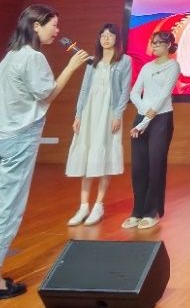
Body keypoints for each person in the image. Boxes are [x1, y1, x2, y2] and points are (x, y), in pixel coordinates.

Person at [0, 5, 89, 304]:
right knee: (7, 207)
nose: (57, 31)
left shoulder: (12, 55)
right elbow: (48, 94)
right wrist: (71, 67)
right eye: (53, 25)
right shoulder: (33, 57)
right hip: (18, 138)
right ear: (36, 25)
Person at [65, 23, 132, 227]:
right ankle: (83, 206)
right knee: (87, 155)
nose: (106, 38)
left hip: (109, 112)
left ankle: (98, 205)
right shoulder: (92, 61)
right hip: (90, 112)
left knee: (104, 154)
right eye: (103, 35)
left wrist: (118, 115)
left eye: (110, 35)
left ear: (117, 39)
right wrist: (78, 115)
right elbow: (84, 89)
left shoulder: (125, 61)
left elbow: (124, 91)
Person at [122, 31, 180, 230]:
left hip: (161, 118)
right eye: (152, 42)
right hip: (143, 116)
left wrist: (147, 118)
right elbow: (134, 92)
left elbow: (163, 95)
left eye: (158, 43)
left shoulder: (173, 66)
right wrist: (144, 111)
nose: (154, 46)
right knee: (138, 167)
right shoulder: (147, 67)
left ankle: (151, 212)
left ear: (168, 45)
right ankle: (137, 211)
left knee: (156, 165)